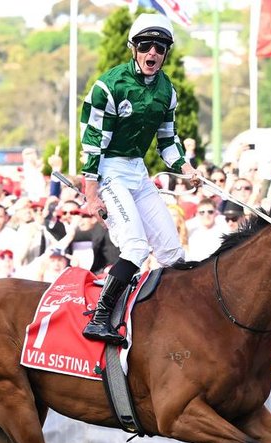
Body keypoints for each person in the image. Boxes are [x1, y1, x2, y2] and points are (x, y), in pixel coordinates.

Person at [79, 12, 199, 345]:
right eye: (146, 45)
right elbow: (93, 141)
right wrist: (91, 193)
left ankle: (176, 318)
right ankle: (100, 317)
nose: (152, 53)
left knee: (173, 253)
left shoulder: (167, 91)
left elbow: (168, 140)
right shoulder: (109, 85)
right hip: (109, 172)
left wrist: (187, 170)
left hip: (138, 172)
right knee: (135, 246)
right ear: (134, 47)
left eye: (160, 48)